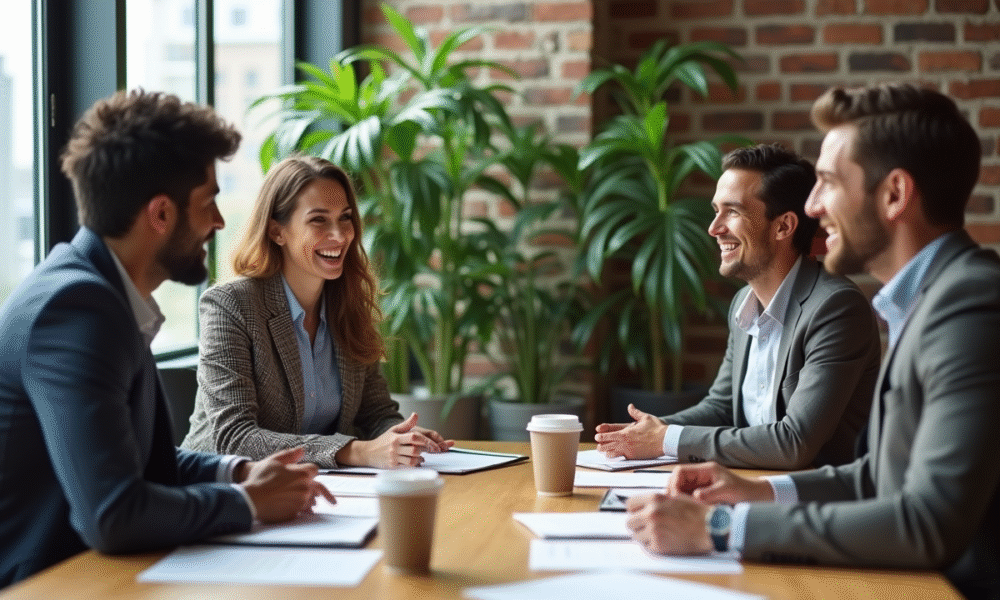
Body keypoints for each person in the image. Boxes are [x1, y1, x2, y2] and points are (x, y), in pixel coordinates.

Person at [625, 83, 1000, 600]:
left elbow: (924, 522)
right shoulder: (928, 300)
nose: (813, 206)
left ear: (894, 194)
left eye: (826, 182)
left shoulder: (969, 308)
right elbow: (878, 479)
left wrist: (721, 530)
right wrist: (755, 492)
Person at [0, 90, 332, 587]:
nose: (220, 222)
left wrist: (241, 474)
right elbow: (113, 514)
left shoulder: (101, 295)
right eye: (208, 202)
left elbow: (145, 465)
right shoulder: (75, 312)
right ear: (160, 214)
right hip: (50, 584)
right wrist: (248, 503)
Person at [595, 144, 880, 469]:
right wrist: (647, 431)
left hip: (812, 505)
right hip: (747, 488)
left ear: (783, 226)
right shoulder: (742, 305)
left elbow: (794, 443)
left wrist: (664, 439)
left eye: (732, 212)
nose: (714, 228)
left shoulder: (835, 308)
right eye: (716, 210)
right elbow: (722, 407)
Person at [182, 155, 454, 469]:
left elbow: (374, 414)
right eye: (318, 220)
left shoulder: (348, 305)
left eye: (346, 217)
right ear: (276, 231)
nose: (340, 235)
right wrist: (356, 452)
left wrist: (402, 437)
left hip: (322, 491)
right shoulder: (230, 305)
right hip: (223, 492)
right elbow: (236, 437)